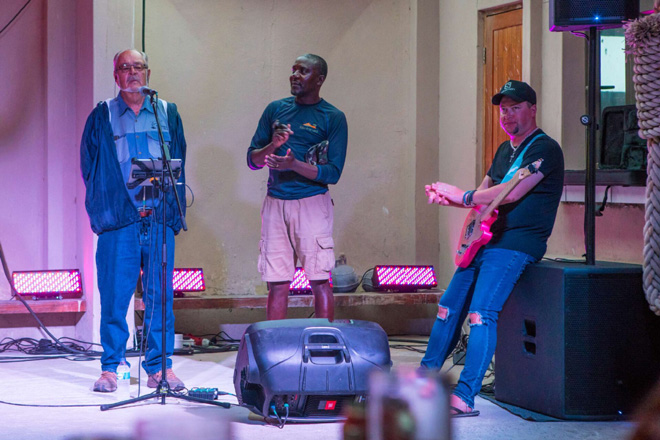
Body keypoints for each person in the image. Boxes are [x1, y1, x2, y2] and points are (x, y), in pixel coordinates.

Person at [421, 80, 564, 416]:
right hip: (486, 240)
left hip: (516, 243)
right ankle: (422, 384)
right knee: (447, 308)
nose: (507, 115)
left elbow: (510, 193)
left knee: (480, 313)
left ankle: (465, 395)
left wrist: (462, 195)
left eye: (515, 108)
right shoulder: (504, 151)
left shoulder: (545, 149)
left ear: (532, 109)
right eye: (503, 109)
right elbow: (484, 196)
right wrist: (450, 198)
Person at [80, 49, 187, 392]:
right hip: (120, 222)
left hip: (157, 221)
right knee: (114, 297)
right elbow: (89, 165)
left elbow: (180, 157)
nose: (132, 73)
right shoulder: (103, 115)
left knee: (161, 298)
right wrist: (110, 203)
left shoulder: (166, 112)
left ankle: (159, 368)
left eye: (137, 66)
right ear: (116, 76)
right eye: (124, 68)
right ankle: (111, 367)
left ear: (148, 72)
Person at [247, 54, 348, 321]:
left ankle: (325, 343)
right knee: (277, 282)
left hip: (312, 203)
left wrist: (294, 165)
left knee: (318, 279)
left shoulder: (333, 117)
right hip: (275, 202)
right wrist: (273, 146)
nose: (294, 75)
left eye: (303, 71)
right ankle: (275, 349)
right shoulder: (275, 109)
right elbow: (252, 160)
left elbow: (333, 173)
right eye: (293, 70)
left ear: (320, 79)